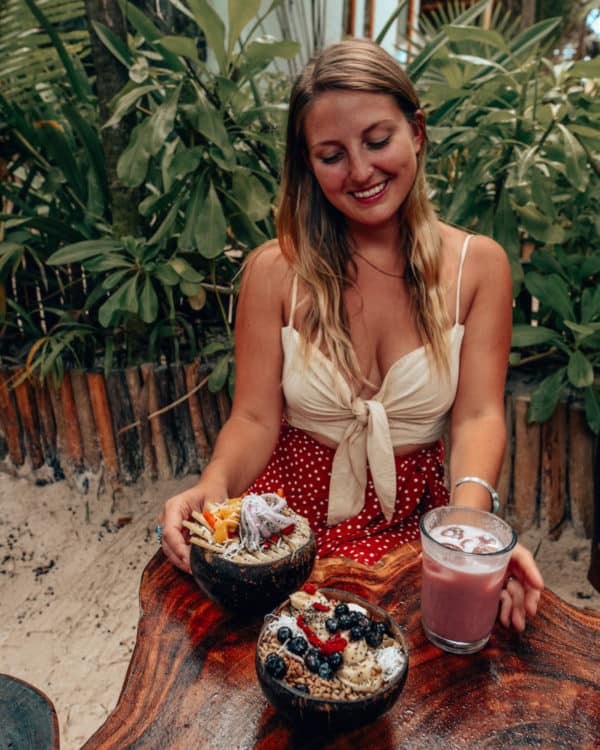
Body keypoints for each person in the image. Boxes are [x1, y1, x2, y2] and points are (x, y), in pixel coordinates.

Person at [159, 38, 543, 631]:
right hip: (281, 524)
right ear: (307, 163)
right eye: (332, 154)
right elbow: (256, 418)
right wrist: (213, 485)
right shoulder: (273, 271)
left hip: (409, 524)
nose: (361, 171)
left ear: (416, 130)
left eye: (378, 140)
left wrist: (464, 535)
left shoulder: (480, 267)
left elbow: (476, 419)